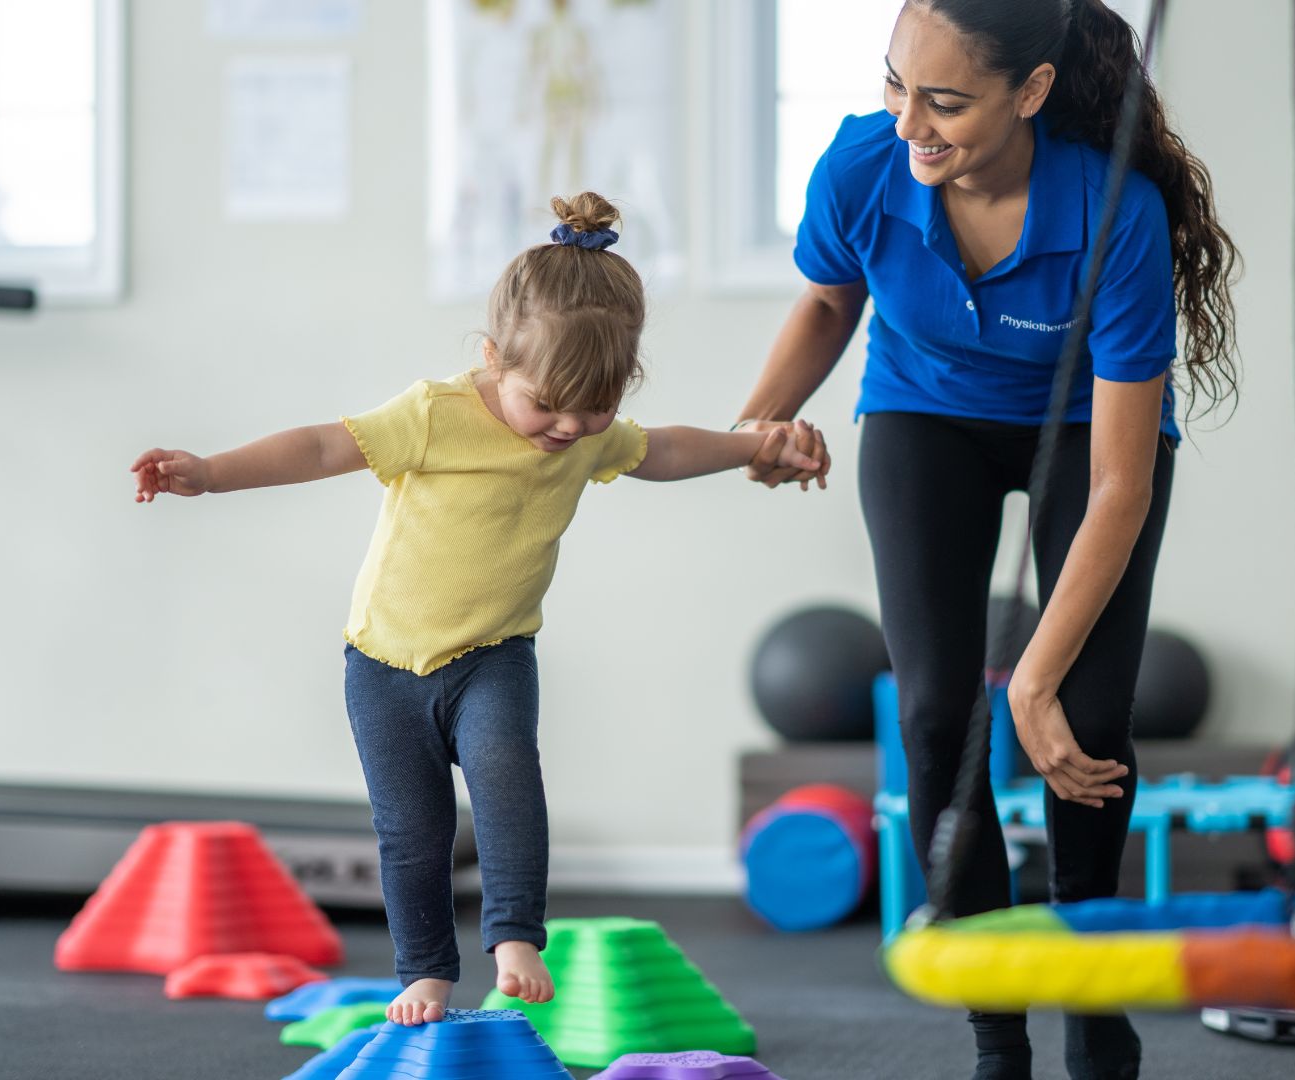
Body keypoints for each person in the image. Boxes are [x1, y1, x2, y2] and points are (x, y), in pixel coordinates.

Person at [131, 193, 828, 1027]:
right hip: (384, 665)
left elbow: (667, 449)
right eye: (550, 406)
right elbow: (322, 446)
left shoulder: (585, 430)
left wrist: (758, 443)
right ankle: (424, 971)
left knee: (506, 776)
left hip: (495, 653)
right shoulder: (434, 414)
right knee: (412, 831)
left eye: (594, 411)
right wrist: (209, 472)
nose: (569, 429)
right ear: (496, 360)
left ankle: (512, 939)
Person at [735, 2, 1239, 1077]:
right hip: (927, 415)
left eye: (946, 100)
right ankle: (997, 1035)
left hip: (1083, 442)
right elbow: (830, 304)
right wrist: (758, 426)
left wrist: (1036, 683)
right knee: (930, 715)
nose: (909, 121)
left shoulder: (1117, 214)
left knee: (1090, 718)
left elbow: (1117, 482)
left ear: (1033, 92)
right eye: (894, 84)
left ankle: (1092, 997)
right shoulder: (863, 165)